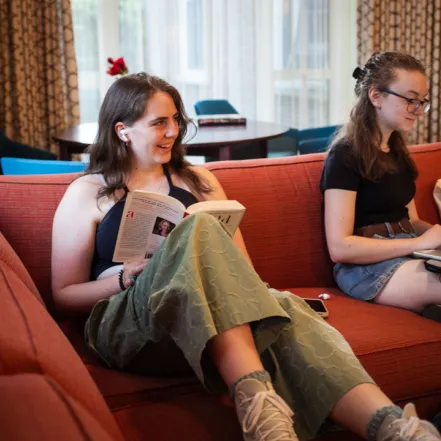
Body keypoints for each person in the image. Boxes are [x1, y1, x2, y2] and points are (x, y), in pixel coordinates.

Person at [52, 72, 441, 441]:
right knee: (199, 228)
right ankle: (258, 406)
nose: (172, 132)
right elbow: (64, 295)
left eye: (175, 120)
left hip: (200, 326)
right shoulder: (88, 192)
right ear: (122, 130)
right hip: (131, 324)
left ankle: (393, 427)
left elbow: (243, 272)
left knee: (287, 313)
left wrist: (274, 301)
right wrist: (125, 277)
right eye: (158, 123)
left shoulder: (199, 183)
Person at [320, 51, 441, 317]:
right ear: (376, 96)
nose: (418, 110)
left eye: (422, 101)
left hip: (407, 251)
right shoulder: (344, 155)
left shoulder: (397, 152)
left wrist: (434, 232)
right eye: (410, 100)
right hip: (364, 267)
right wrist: (418, 244)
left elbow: (410, 221)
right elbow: (340, 248)